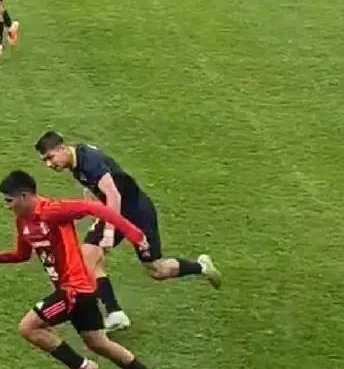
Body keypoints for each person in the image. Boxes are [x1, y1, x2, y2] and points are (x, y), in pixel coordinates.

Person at [0, 170, 169, 369]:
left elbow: (97, 209)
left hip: (74, 290)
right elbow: (23, 253)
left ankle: (81, 366)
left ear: (24, 195)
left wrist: (134, 234)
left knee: (28, 327)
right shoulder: (23, 220)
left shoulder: (53, 210)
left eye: (9, 200)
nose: (7, 206)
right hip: (74, 291)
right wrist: (0, 258)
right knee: (99, 343)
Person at [34, 131, 222, 331]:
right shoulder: (76, 159)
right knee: (87, 258)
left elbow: (113, 195)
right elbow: (91, 185)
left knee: (157, 270)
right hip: (114, 212)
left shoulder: (89, 161)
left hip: (137, 213)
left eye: (50, 157)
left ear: (62, 149)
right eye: (44, 160)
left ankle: (201, 267)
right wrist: (92, 208)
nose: (49, 164)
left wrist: (108, 231)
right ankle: (115, 313)